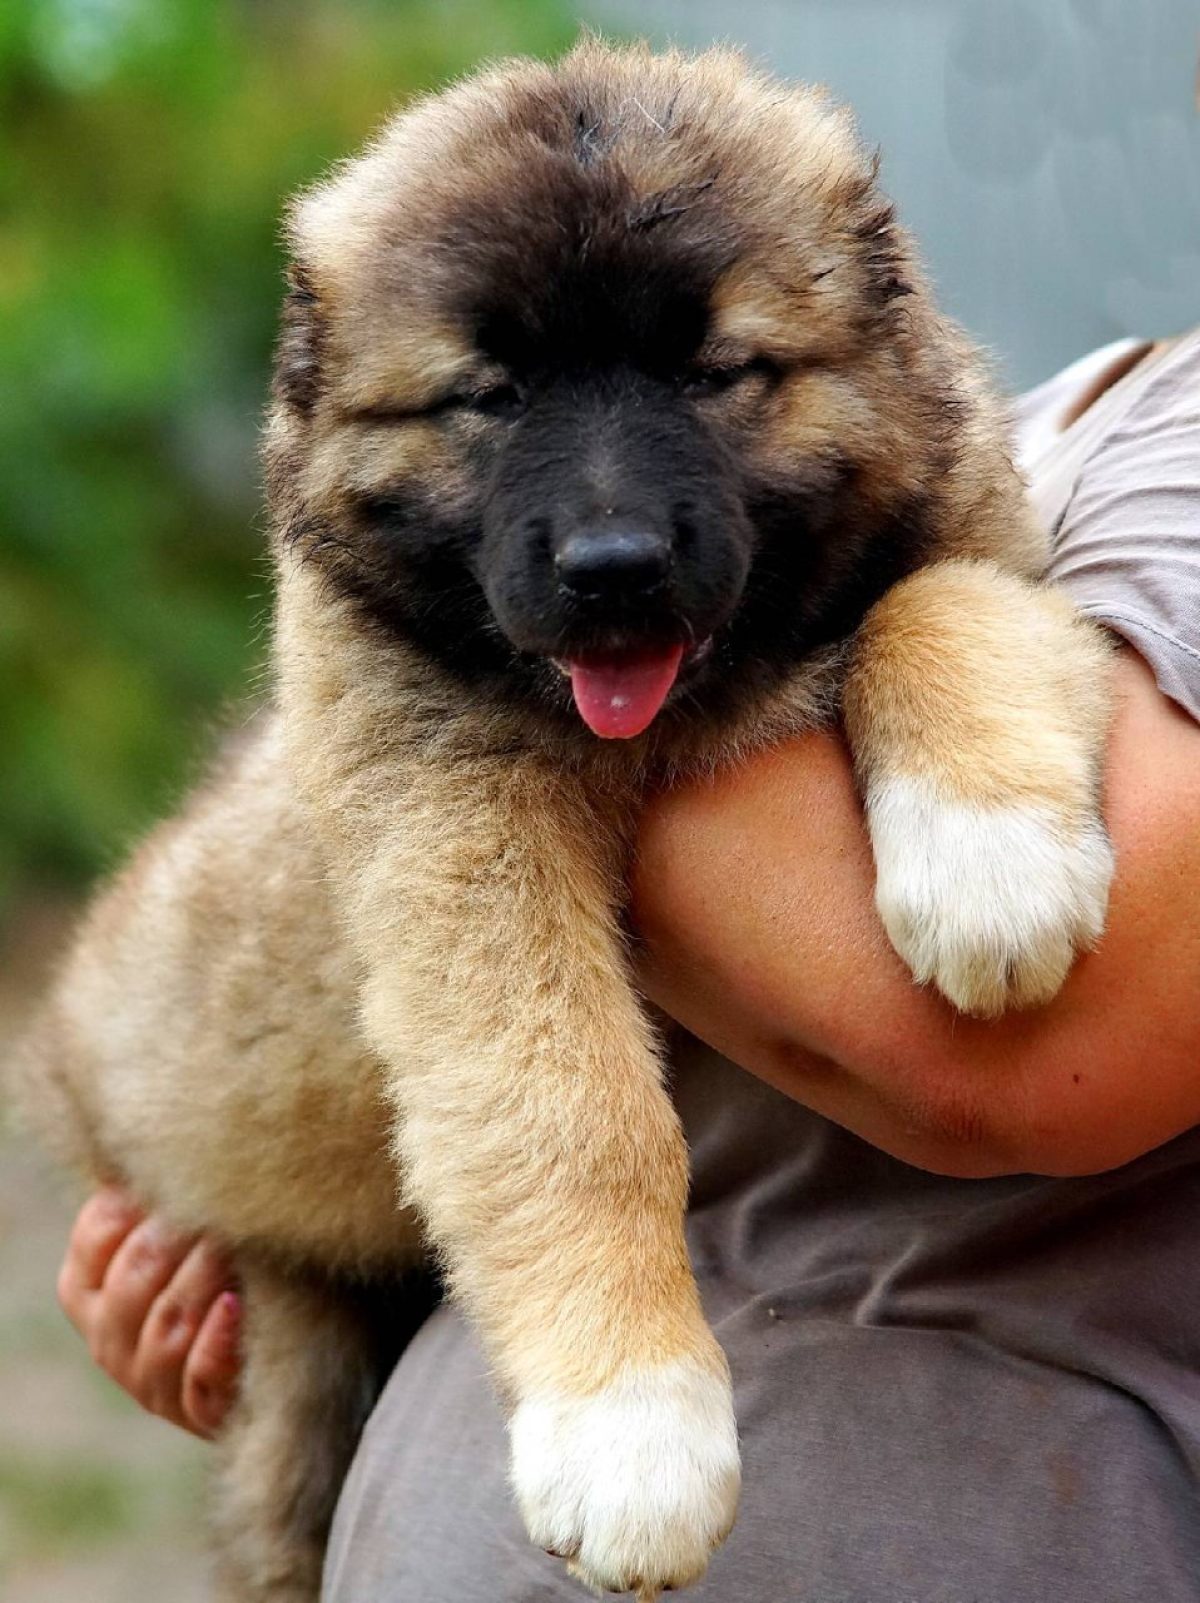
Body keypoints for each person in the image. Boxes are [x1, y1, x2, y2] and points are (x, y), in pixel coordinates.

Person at [59, 328, 1200, 1599]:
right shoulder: (995, 410)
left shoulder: (1144, 444)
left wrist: (416, 731)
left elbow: (1029, 1049)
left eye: (718, 380)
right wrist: (262, 1239)